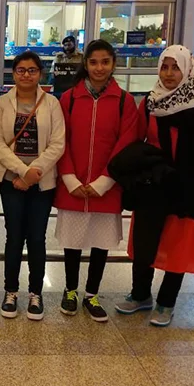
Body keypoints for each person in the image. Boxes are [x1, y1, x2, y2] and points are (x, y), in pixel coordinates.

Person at [114, 46, 194, 326]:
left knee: (178, 241)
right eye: (165, 67)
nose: (170, 74)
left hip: (187, 184)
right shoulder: (151, 102)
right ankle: (140, 295)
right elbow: (137, 138)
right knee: (145, 237)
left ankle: (166, 302)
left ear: (186, 69)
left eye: (176, 67)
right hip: (154, 182)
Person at [54, 39, 138, 322]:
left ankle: (91, 293)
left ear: (113, 64)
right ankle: (70, 290)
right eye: (93, 62)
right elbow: (60, 140)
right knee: (72, 242)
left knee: (101, 244)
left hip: (107, 187)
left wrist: (104, 181)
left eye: (105, 62)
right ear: (85, 64)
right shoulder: (69, 99)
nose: (99, 68)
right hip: (73, 185)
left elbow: (127, 143)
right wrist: (70, 178)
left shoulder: (125, 101)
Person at [0, 51, 65, 320]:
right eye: (20, 70)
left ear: (40, 74)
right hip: (12, 182)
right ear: (13, 73)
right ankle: (11, 291)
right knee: (14, 237)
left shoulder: (52, 104)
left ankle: (35, 293)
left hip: (42, 184)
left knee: (36, 238)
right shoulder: (2, 104)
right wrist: (23, 172)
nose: (26, 75)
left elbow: (58, 143)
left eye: (32, 70)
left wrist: (34, 173)